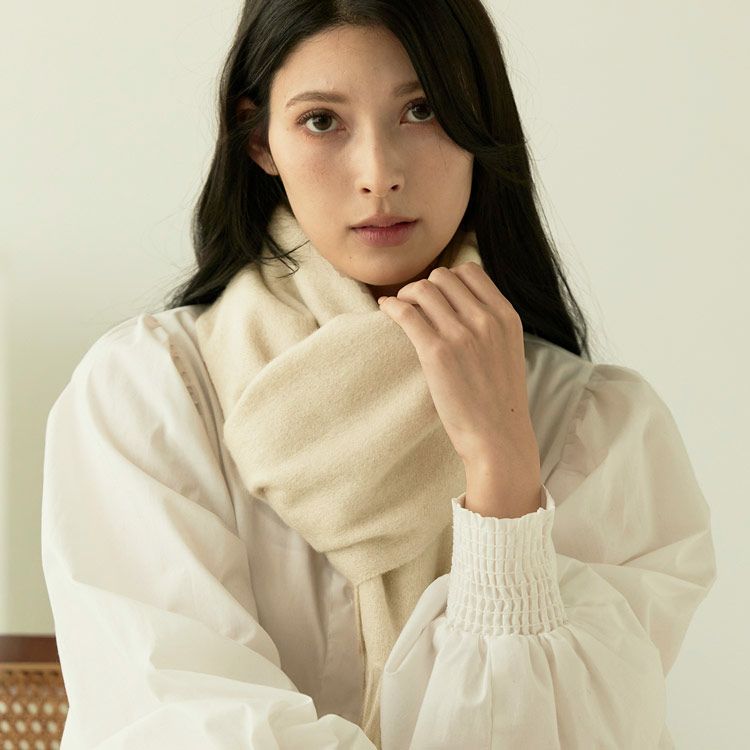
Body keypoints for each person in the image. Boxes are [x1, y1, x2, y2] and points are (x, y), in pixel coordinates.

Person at [40, 1, 717, 748]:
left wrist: (502, 474)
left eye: (422, 110)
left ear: (478, 121)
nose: (379, 174)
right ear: (258, 139)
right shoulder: (153, 394)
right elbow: (183, 721)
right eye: (322, 121)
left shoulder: (599, 428)